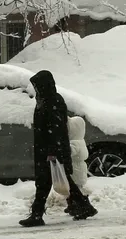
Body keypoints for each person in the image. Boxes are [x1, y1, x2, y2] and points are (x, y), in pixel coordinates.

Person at [21, 70, 98, 227]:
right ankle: (83, 206)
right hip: (46, 149)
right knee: (59, 180)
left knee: (45, 183)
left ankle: (37, 215)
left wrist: (52, 152)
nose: (35, 89)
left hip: (51, 150)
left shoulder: (53, 101)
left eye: (37, 85)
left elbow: (57, 130)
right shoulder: (44, 100)